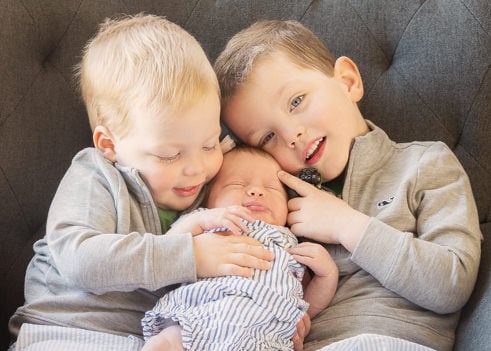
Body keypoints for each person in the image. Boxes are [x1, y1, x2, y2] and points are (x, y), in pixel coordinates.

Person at [8, 14, 275, 350]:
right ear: (110, 145)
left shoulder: (215, 180)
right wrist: (190, 255)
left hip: (157, 339)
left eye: (209, 143)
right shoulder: (98, 177)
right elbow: (82, 260)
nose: (196, 168)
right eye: (169, 155)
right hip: (65, 332)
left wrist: (271, 312)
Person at [213, 20, 482, 351]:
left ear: (348, 82)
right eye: (268, 137)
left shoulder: (426, 164)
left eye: (296, 101)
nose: (291, 135)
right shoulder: (277, 201)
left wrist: (345, 225)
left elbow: (451, 284)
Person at [141, 146, 338, 351]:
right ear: (209, 201)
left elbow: (303, 299)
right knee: (164, 343)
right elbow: (164, 250)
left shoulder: (289, 243)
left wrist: (327, 276)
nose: (256, 191)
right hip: (196, 316)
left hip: (263, 333)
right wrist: (200, 219)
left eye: (271, 188)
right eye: (236, 184)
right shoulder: (205, 223)